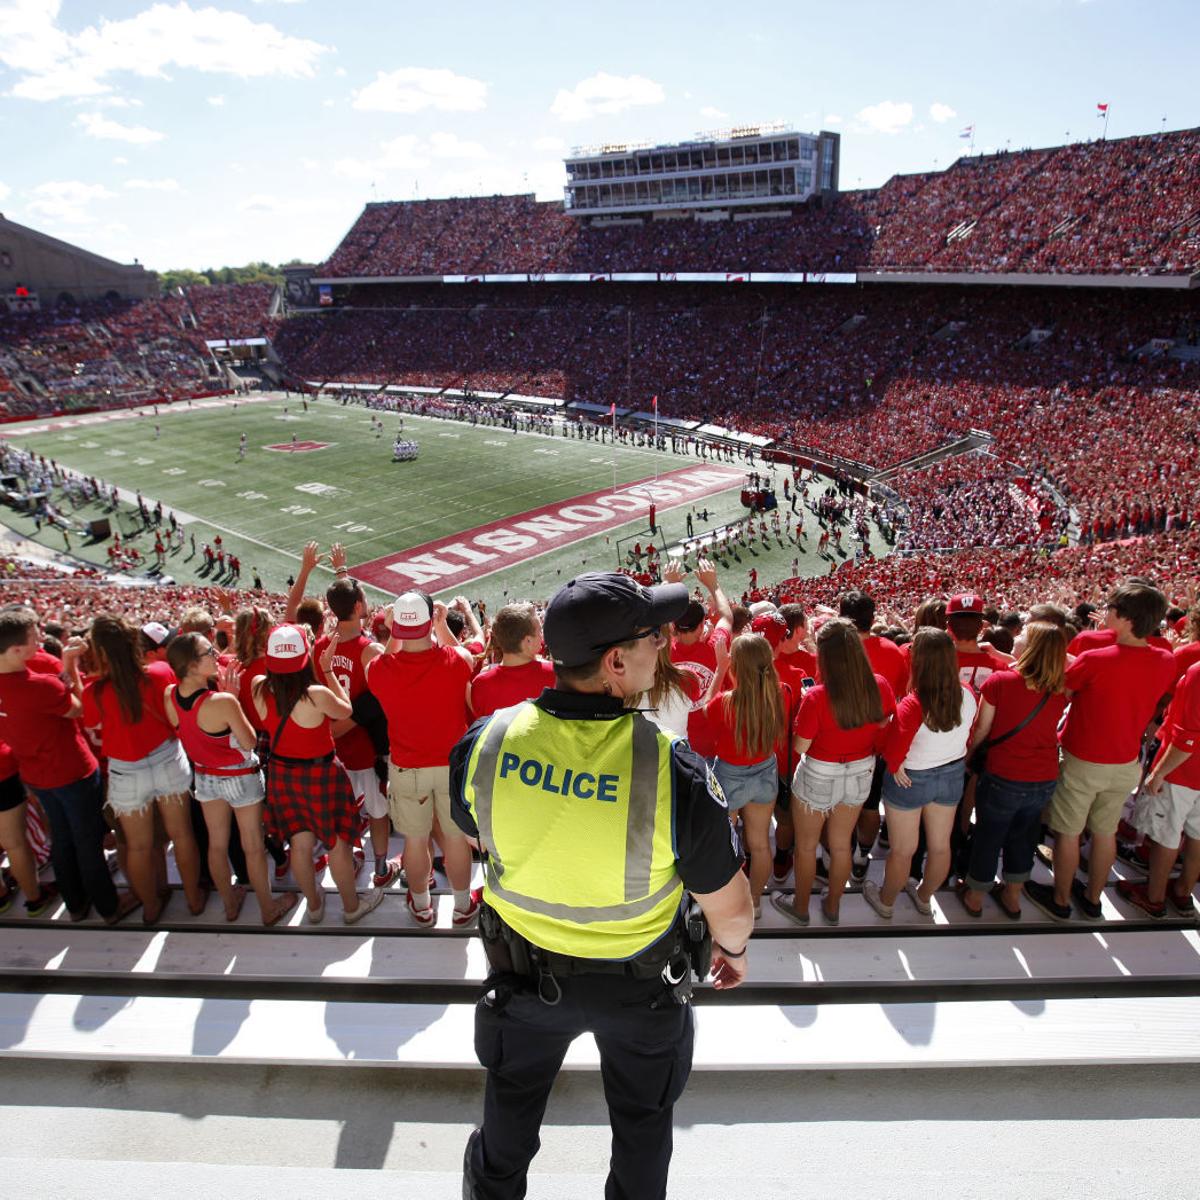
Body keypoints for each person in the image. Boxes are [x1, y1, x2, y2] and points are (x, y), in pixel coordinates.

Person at [449, 571, 752, 1200]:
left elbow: (475, 828)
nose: (663, 645)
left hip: (524, 978)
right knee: (642, 1133)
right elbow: (732, 908)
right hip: (639, 987)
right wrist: (735, 951)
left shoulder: (487, 740)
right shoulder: (673, 767)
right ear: (616, 661)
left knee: (506, 1127)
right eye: (652, 635)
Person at [1025, 581, 1176, 922]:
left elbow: (1063, 687)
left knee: (1068, 832)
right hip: (1125, 760)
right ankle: (1093, 898)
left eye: (1110, 609)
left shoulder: (1096, 659)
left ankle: (1061, 900)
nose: (1104, 612)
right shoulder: (1165, 660)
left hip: (1083, 757)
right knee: (1105, 831)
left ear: (1125, 618)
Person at [251, 624, 385, 925]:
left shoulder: (259, 686)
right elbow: (346, 709)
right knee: (338, 842)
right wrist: (327, 670)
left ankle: (313, 905)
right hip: (321, 772)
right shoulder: (316, 694)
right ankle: (351, 907)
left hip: (283, 774)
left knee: (299, 844)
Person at [78, 614, 206, 924]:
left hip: (126, 770)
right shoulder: (160, 672)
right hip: (166, 760)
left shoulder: (94, 691)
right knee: (182, 834)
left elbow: (91, 722)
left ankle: (150, 905)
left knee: (137, 846)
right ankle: (193, 899)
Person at [164, 631, 297, 926]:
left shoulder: (169, 694)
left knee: (217, 844)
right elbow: (249, 742)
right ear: (192, 665)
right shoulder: (222, 701)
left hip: (205, 776)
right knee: (252, 845)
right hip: (239, 776)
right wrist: (233, 699)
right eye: (208, 652)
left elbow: (181, 728)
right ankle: (267, 908)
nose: (215, 655)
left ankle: (230, 903)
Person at [367, 592, 479, 927]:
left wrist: (392, 631)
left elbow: (383, 662)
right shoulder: (456, 661)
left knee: (415, 841)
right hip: (450, 766)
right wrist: (442, 624)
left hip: (408, 767)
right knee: (456, 839)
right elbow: (461, 653)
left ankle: (422, 905)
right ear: (429, 622)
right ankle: (461, 906)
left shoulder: (381, 669)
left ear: (398, 627)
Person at [774, 618, 895, 926]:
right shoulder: (879, 685)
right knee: (841, 844)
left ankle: (800, 909)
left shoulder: (816, 696)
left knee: (805, 846)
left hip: (819, 772)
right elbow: (884, 725)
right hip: (860, 770)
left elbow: (800, 746)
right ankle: (832, 906)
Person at [959, 622, 1070, 918]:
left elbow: (982, 728)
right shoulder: (1060, 687)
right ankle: (1013, 895)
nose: (1016, 638)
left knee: (989, 835)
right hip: (1043, 775)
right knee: (1024, 837)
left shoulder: (1000, 682)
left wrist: (968, 757)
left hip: (1005, 772)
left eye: (1023, 636)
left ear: (1030, 647)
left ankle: (976, 895)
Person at [865, 628, 978, 919]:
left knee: (903, 850)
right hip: (951, 773)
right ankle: (925, 897)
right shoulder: (967, 694)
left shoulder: (914, 703)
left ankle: (886, 902)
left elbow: (893, 749)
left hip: (913, 777)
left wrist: (894, 765)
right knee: (940, 846)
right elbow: (968, 734)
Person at [689, 631, 789, 917]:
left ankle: (730, 905)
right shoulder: (779, 692)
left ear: (738, 666)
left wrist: (721, 668)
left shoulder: (726, 702)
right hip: (765, 772)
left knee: (727, 845)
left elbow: (703, 709)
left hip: (731, 774)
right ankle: (755, 902)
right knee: (759, 844)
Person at [1117, 655, 1200, 918]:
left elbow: (1187, 738)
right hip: (1190, 771)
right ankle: (1183, 891)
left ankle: (1154, 897)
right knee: (1197, 835)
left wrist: (1159, 772)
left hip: (1182, 772)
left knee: (1167, 834)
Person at [468, 602, 555, 719]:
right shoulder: (555, 675)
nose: (542, 636)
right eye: (539, 631)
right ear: (528, 641)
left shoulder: (481, 685)